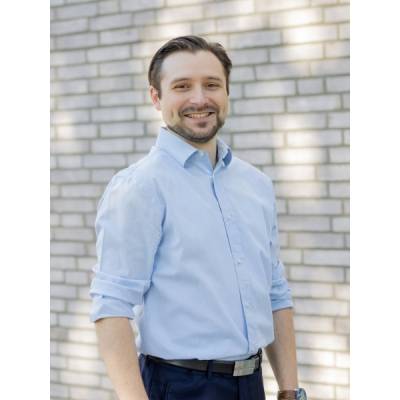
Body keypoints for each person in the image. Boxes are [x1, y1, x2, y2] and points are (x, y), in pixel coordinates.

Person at [89, 35, 307, 400]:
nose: (199, 99)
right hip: (178, 386)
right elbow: (111, 305)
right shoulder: (139, 187)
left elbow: (274, 290)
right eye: (182, 86)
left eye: (212, 84)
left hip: (251, 384)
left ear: (227, 92)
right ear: (156, 97)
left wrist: (290, 390)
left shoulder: (256, 184)